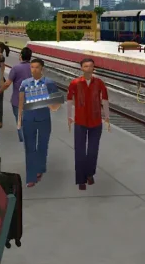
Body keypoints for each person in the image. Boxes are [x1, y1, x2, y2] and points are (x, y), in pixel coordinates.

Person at [67, 58, 110, 190]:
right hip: (80, 122)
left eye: (90, 66)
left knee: (92, 151)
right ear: (81, 68)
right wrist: (69, 117)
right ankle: (80, 180)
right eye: (85, 66)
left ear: (93, 68)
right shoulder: (75, 83)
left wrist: (107, 117)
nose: (88, 69)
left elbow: (105, 100)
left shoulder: (99, 83)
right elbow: (69, 100)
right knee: (79, 151)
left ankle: (90, 173)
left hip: (96, 122)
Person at [17, 59, 59, 188]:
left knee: (42, 146)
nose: (34, 70)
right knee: (29, 148)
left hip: (44, 120)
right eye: (32, 67)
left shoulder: (49, 83)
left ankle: (40, 168)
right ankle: (31, 177)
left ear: (42, 69)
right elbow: (21, 103)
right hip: (28, 120)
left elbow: (56, 104)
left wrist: (47, 102)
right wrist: (19, 120)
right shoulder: (25, 83)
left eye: (37, 67)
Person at [1, 46, 33, 124]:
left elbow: (7, 83)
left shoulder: (16, 68)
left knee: (20, 123)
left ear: (21, 55)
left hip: (18, 101)